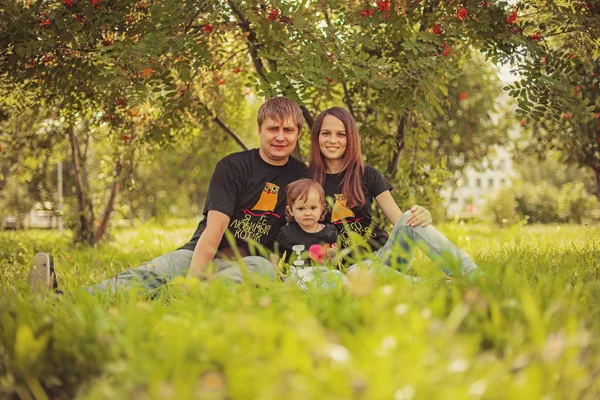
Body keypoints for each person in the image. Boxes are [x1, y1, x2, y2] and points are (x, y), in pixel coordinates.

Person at [29, 96, 309, 294]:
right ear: (260, 129)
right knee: (153, 272)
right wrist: (193, 276)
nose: (280, 137)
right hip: (204, 254)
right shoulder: (233, 167)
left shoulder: (302, 176)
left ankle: (182, 295)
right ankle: (62, 297)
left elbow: (296, 231)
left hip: (248, 265)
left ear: (298, 134)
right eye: (273, 129)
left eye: (288, 130)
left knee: (262, 268)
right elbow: (215, 228)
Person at [308, 107, 479, 278]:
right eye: (326, 133)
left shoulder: (367, 174)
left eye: (341, 134)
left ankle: (471, 274)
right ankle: (436, 286)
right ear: (317, 137)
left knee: (410, 216)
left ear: (351, 138)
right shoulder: (306, 181)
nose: (332, 140)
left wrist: (421, 216)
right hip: (350, 267)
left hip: (385, 254)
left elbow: (400, 221)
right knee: (360, 274)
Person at [270, 178, 347, 288]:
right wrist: (276, 270)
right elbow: (274, 254)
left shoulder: (330, 232)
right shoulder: (286, 233)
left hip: (323, 274)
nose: (307, 213)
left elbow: (338, 262)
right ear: (291, 210)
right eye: (301, 209)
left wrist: (335, 256)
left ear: (321, 208)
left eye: (313, 208)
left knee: (338, 277)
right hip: (297, 276)